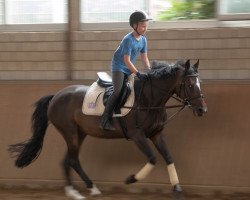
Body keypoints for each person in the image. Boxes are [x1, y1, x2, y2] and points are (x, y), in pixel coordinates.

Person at [99, 10, 152, 131]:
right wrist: (138, 73)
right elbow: (127, 60)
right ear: (134, 26)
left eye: (146, 27)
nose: (145, 29)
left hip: (128, 68)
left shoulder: (143, 40)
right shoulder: (128, 39)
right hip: (119, 67)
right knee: (117, 91)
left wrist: (149, 71)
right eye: (143, 26)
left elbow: (144, 57)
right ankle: (104, 119)